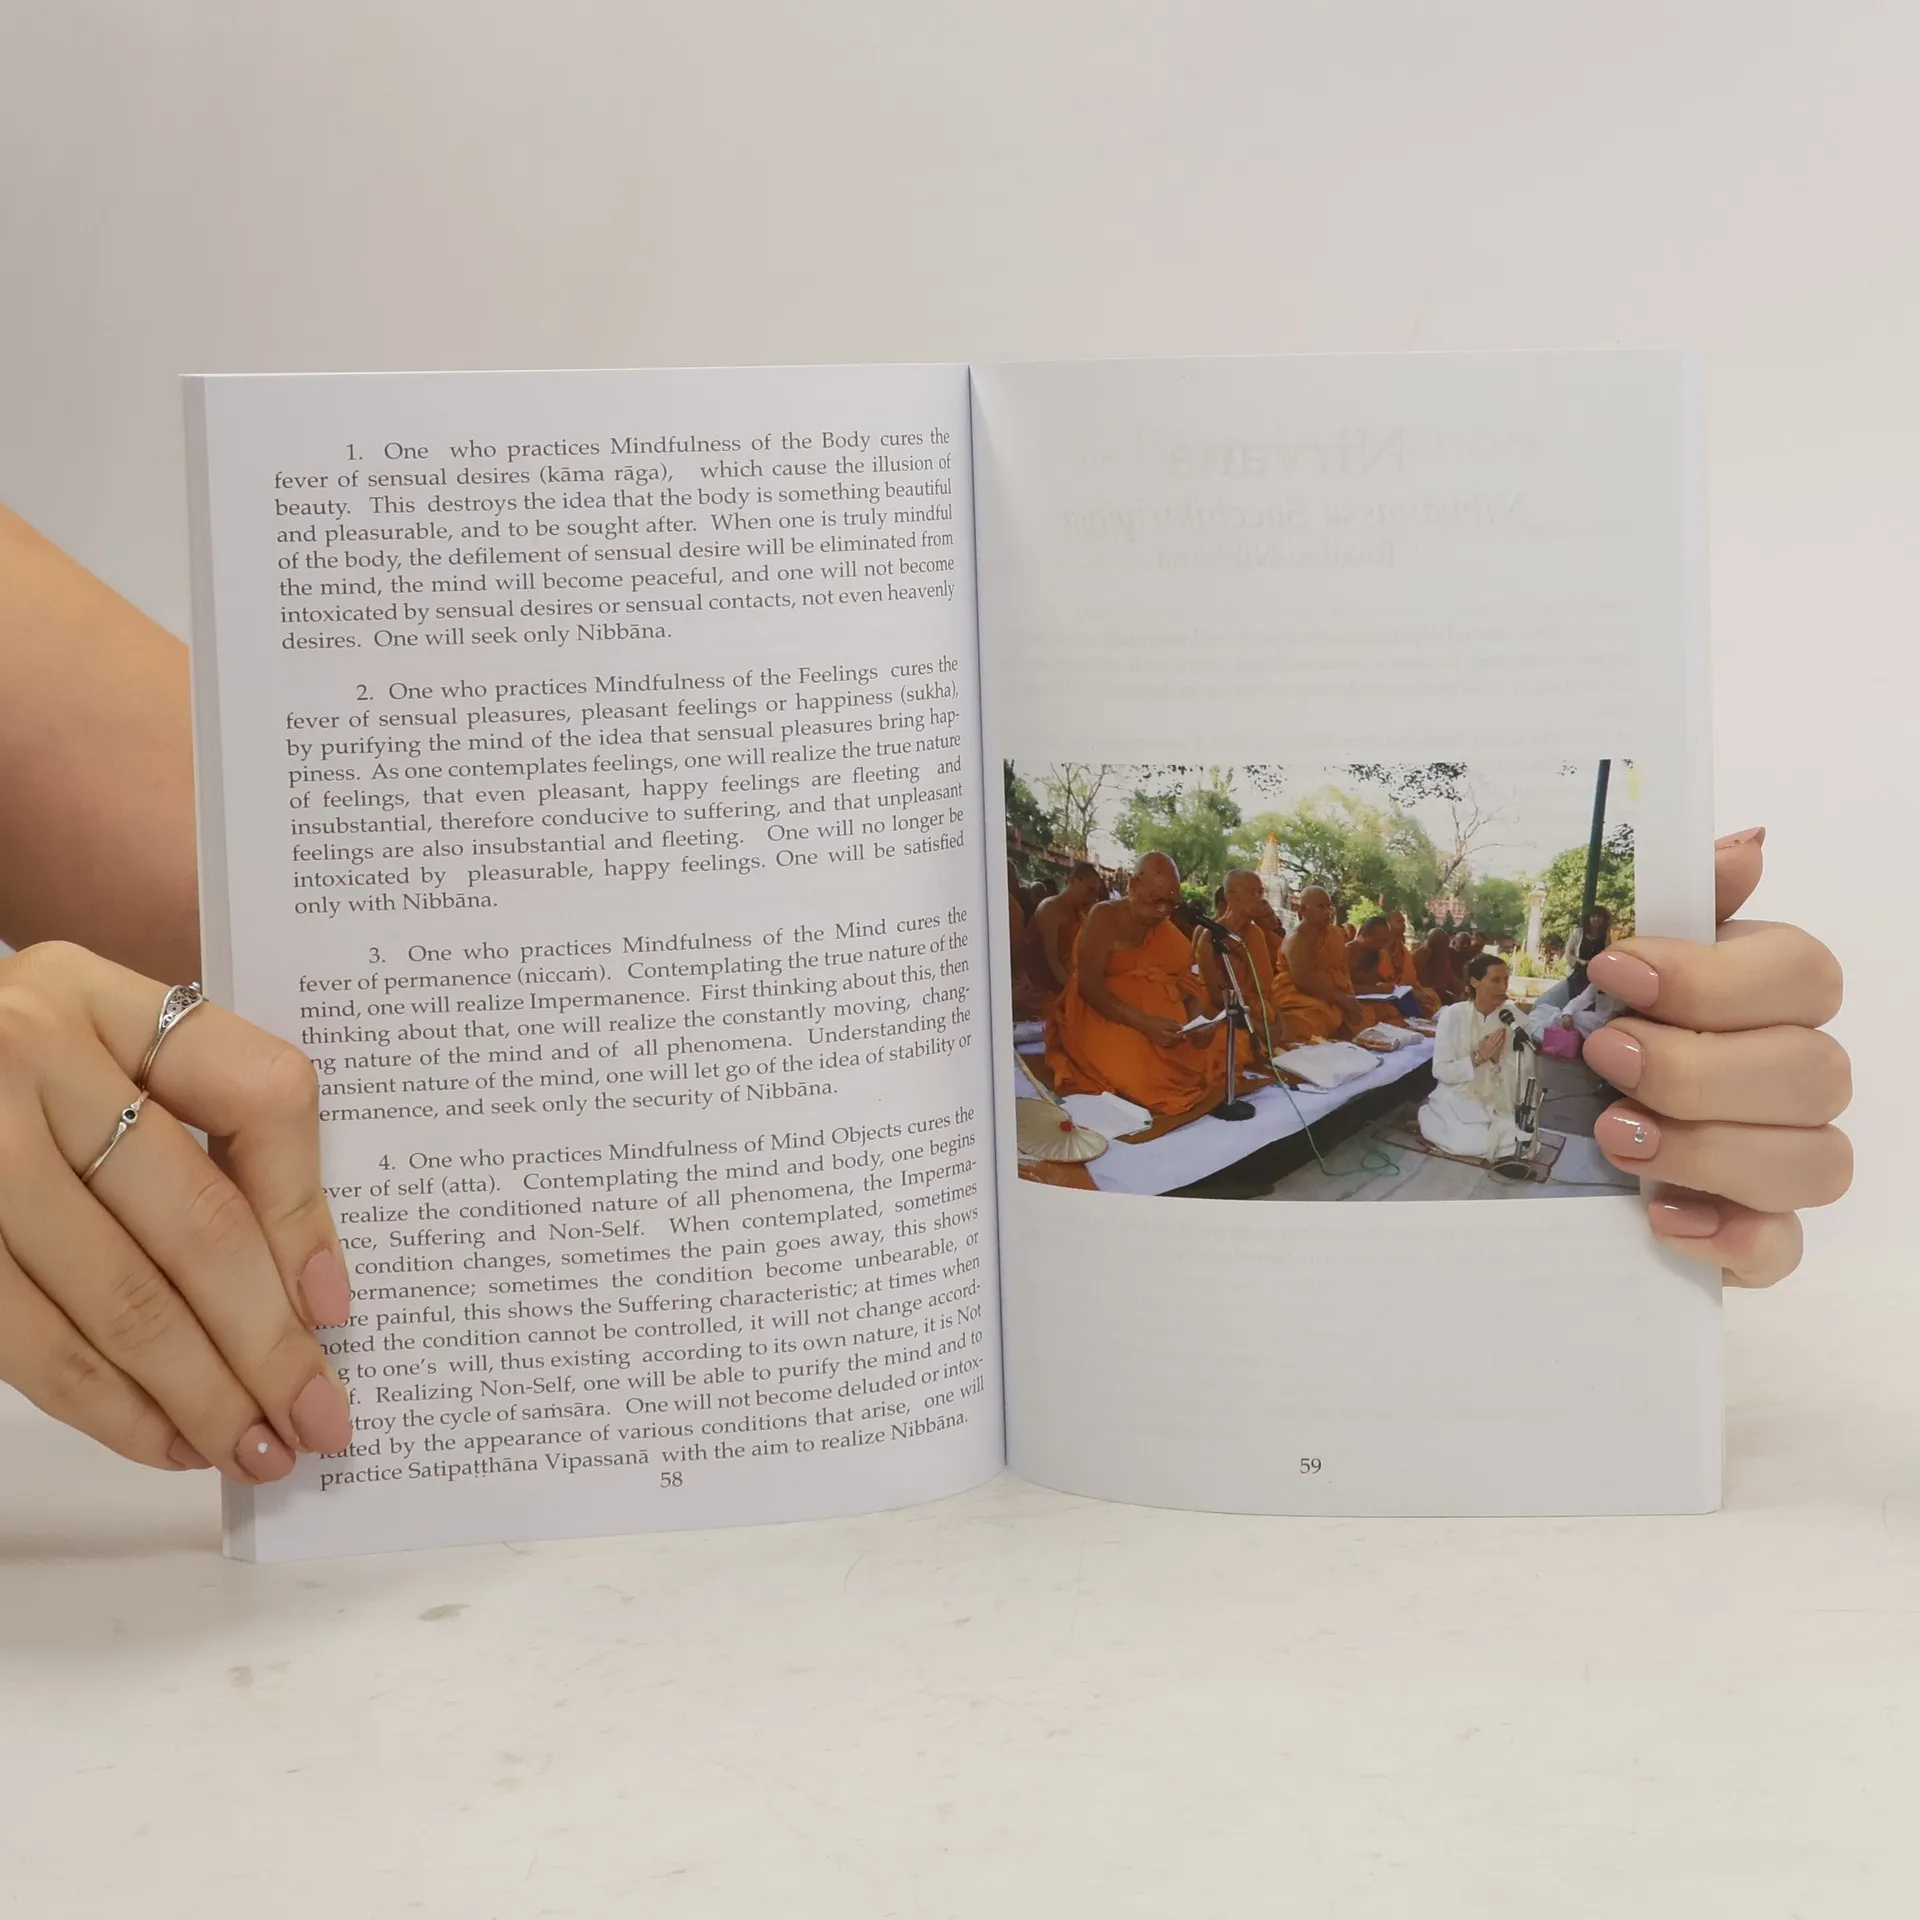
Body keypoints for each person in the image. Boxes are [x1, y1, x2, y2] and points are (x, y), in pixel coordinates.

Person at [0, 511, 1863, 1480]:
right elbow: (1108, 994)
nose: (1192, 899)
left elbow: (364, 884)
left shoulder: (1224, 931)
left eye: (1199, 892)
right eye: (1181, 887)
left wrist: (1650, 1067)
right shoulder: (1131, 924)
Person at [1044, 851, 1230, 1115]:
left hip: (1162, 1027)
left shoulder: (1167, 931)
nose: (1163, 911)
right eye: (1156, 900)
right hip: (1103, 1013)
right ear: (1133, 885)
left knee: (1214, 1053)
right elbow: (1088, 986)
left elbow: (1187, 987)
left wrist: (1198, 1022)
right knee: (1142, 1080)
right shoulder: (1104, 916)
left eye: (1171, 904)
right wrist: (1145, 1024)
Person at [1419, 952, 1528, 1160]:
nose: (1503, 987)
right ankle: (1427, 1115)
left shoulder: (1516, 1019)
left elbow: (1524, 1072)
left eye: (1505, 980)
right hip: (1460, 1094)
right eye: (1495, 980)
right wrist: (1479, 1057)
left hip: (1500, 1098)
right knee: (1468, 1142)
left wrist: (1497, 1060)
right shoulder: (1453, 1015)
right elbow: (1440, 1070)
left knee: (1522, 1140)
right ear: (1474, 982)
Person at [1279, 888, 1405, 1040]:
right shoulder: (1296, 939)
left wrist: (1346, 997)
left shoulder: (1335, 935)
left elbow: (1342, 973)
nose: (1327, 911)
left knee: (1366, 1017)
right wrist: (1341, 999)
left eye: (1329, 906)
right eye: (1320, 906)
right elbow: (1303, 980)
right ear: (1303, 910)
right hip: (1304, 999)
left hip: (1333, 998)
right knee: (1313, 1021)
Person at [1193, 868, 1286, 1057]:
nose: (1259, 898)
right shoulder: (1210, 936)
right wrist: (1259, 1028)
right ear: (1230, 896)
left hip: (1258, 1012)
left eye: (1260, 892)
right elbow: (1218, 998)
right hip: (1225, 1015)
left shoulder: (1256, 934)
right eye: (1251, 893)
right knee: (1237, 1046)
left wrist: (1279, 1021)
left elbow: (1265, 988)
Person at [1018, 861, 1105, 1015]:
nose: (1092, 898)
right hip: (1042, 992)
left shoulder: (1079, 915)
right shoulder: (1049, 909)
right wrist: (1077, 993)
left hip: (1068, 986)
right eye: (1090, 890)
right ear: (1072, 880)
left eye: (1095, 894)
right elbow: (1053, 962)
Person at [1384, 910, 1443, 1015]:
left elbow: (1411, 980)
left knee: (1431, 996)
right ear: (1387, 925)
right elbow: (1382, 982)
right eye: (1399, 922)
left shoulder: (1402, 950)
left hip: (1406, 990)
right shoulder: (1379, 949)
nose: (1403, 925)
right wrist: (1411, 992)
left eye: (1403, 921)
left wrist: (1420, 992)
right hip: (1388, 993)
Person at [1565, 904, 1615, 997]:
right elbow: (1568, 952)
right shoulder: (1579, 932)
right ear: (1588, 918)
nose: (1596, 919)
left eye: (1599, 916)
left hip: (1597, 974)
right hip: (1579, 973)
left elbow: (1608, 952)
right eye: (1593, 916)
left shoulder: (1605, 934)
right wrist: (1580, 961)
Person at [1416, 926, 1463, 1003]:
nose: (1445, 949)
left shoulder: (1443, 958)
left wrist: (1461, 989)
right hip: (1421, 997)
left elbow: (1449, 978)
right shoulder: (1418, 957)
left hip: (1438, 997)